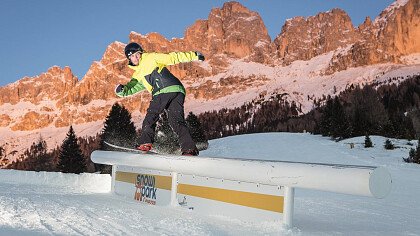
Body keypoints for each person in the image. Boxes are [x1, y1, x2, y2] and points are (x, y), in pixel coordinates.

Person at [115, 42, 205, 156]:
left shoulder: (151, 57)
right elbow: (132, 87)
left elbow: (172, 57)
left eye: (137, 54)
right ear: (129, 59)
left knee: (151, 116)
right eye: (131, 56)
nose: (135, 58)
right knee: (176, 122)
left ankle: (145, 142)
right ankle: (189, 149)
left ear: (141, 53)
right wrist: (122, 91)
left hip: (163, 90)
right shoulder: (138, 74)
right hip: (177, 90)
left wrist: (193, 55)